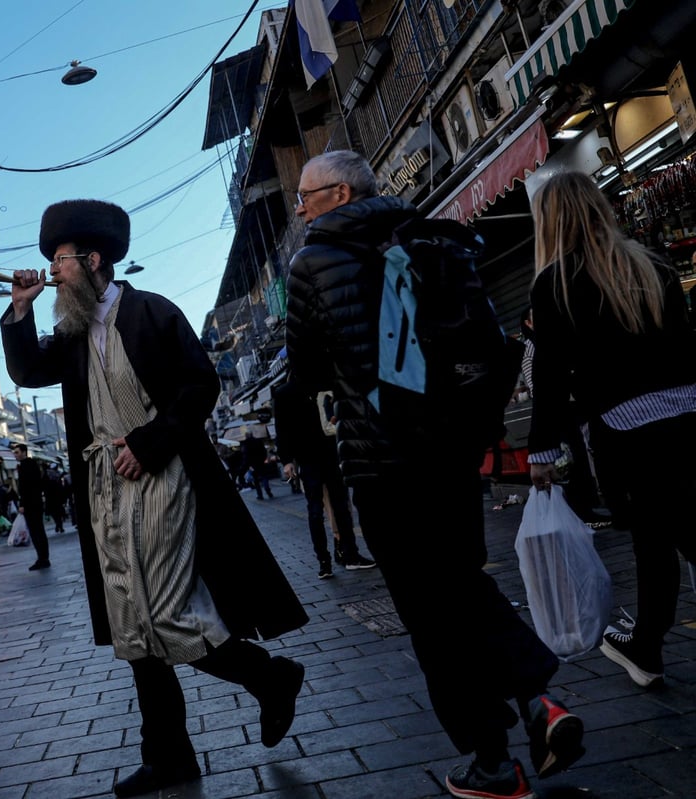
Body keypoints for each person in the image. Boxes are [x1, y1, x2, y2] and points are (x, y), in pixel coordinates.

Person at [280, 151, 583, 799]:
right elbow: (488, 343)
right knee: (459, 584)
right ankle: (536, 704)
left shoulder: (310, 264)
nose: (298, 208)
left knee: (430, 613)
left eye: (304, 196)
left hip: (384, 464)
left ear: (336, 194)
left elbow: (304, 373)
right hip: (452, 456)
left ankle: (496, 761)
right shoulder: (436, 238)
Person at [1, 198, 308, 798]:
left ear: (93, 261)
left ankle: (269, 678)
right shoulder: (67, 333)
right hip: (103, 491)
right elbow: (28, 373)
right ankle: (168, 755)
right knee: (130, 624)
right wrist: (19, 310)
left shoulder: (151, 312)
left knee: (164, 613)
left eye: (60, 262)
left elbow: (201, 385)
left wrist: (149, 440)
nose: (54, 273)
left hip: (162, 480)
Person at [527, 171, 696, 691]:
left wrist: (543, 452)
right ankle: (644, 643)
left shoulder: (555, 284)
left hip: (627, 429)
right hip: (685, 414)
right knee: (678, 531)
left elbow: (550, 379)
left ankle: (646, 647)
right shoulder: (652, 266)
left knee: (655, 539)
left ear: (550, 222)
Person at [274, 388, 374, 578]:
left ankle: (343, 556)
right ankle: (328, 560)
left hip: (327, 454)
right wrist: (286, 459)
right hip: (312, 456)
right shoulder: (287, 393)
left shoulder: (318, 387)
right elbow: (282, 428)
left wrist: (287, 459)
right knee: (320, 510)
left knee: (334, 508)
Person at [12, 443, 50, 570]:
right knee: (38, 531)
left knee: (36, 531)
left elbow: (26, 488)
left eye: (17, 452)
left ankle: (42, 558)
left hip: (31, 504)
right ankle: (43, 557)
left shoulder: (26, 466)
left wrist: (23, 504)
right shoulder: (30, 464)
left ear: (24, 452)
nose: (15, 455)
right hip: (35, 503)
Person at [241, 432, 273, 499]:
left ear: (246, 436)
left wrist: (246, 465)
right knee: (264, 477)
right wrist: (263, 459)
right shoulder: (258, 441)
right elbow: (264, 451)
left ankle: (260, 495)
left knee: (256, 480)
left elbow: (245, 456)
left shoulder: (245, 443)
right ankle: (267, 490)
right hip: (261, 462)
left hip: (253, 465)